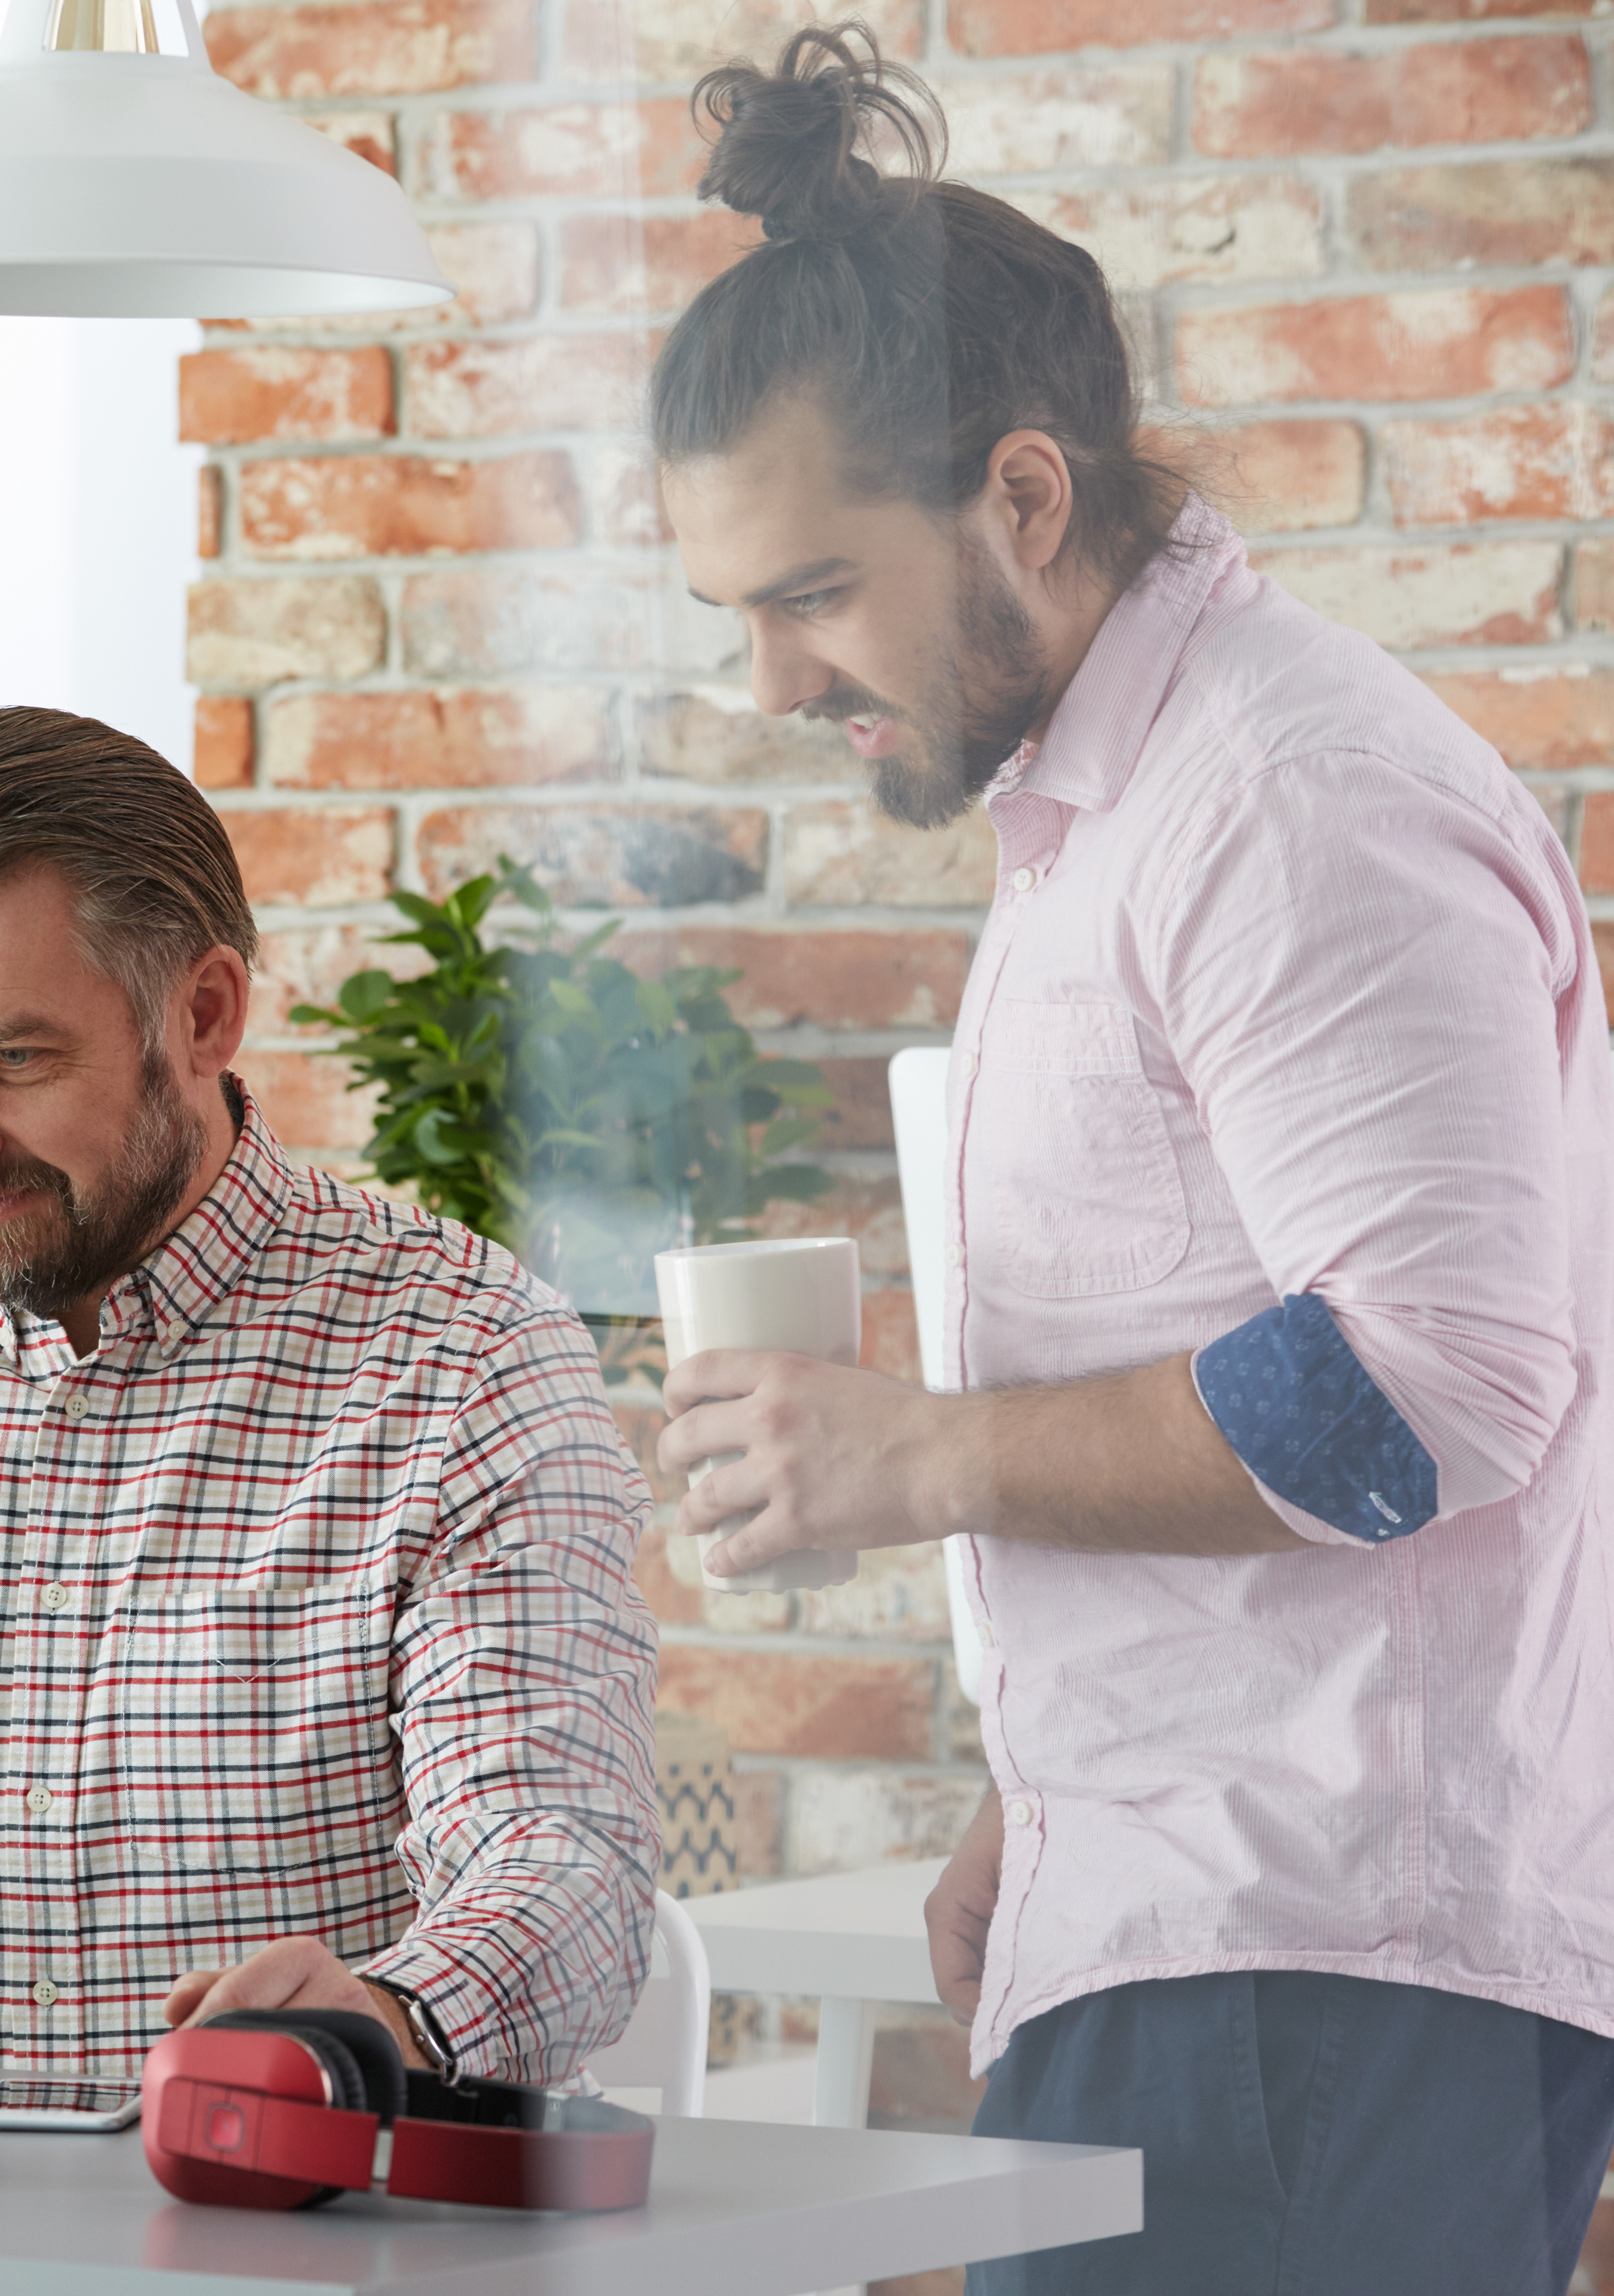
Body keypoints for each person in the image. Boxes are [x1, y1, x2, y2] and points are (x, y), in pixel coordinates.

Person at [642, 29, 1614, 2295]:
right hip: (1213, 1937)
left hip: (1316, 1969)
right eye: (732, 622)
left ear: (1019, 496)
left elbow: (1437, 1384)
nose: (775, 684)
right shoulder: (1109, 808)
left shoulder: (1283, 804)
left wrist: (912, 1460)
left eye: (807, 593)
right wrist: (1043, 1801)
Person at [0, 707, 661, 2081]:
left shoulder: (457, 1367)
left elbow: (556, 1867)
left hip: (316, 2246)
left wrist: (381, 2021)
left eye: (12, 1057)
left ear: (204, 1014)